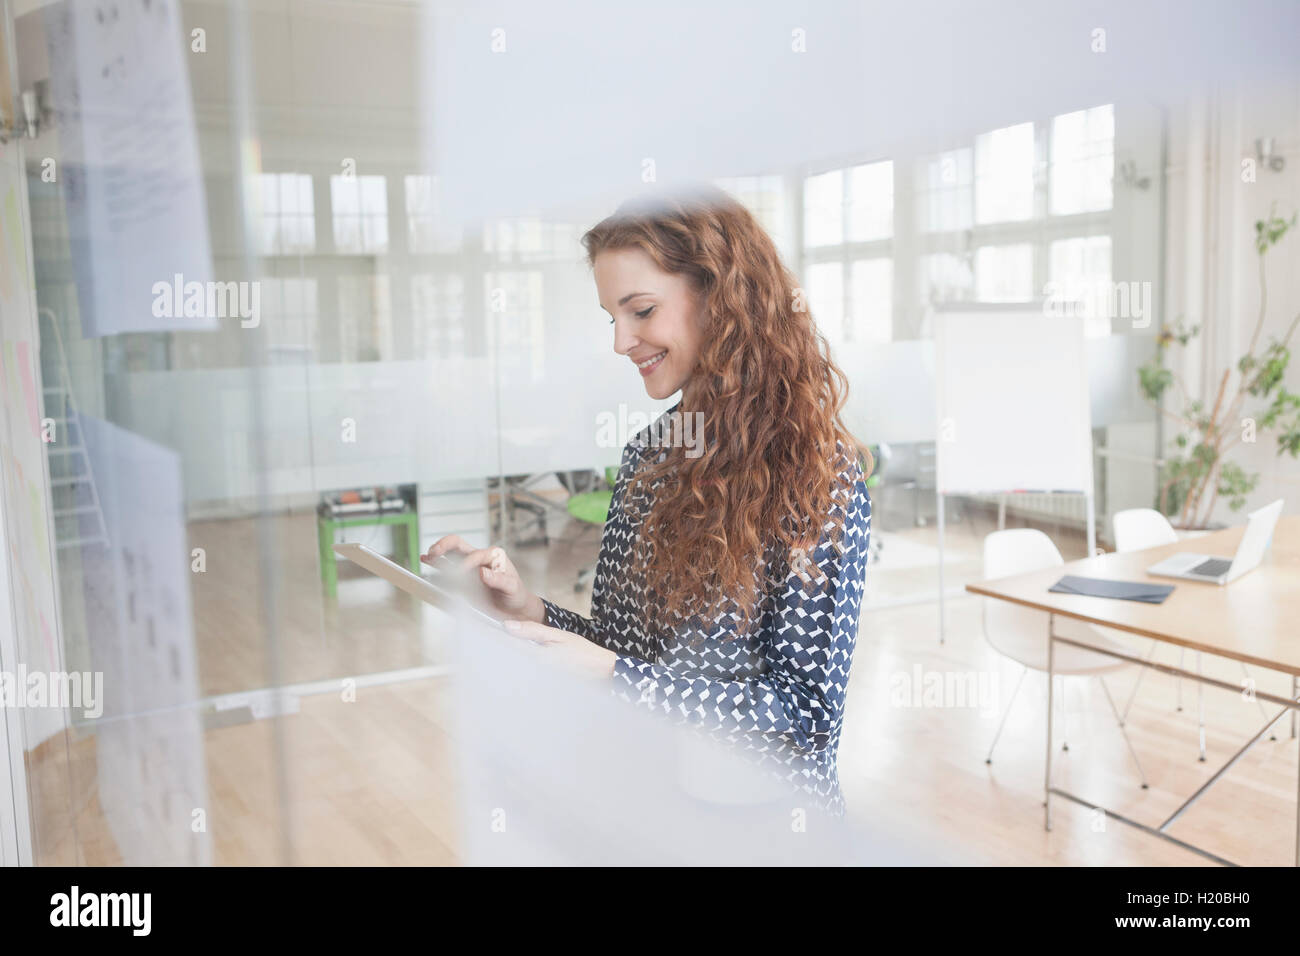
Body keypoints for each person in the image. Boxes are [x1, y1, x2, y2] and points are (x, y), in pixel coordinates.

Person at [424, 184, 872, 817]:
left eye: (640, 310)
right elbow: (617, 650)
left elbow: (807, 717)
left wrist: (621, 679)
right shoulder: (648, 456)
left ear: (720, 296)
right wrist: (524, 606)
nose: (620, 341)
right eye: (613, 317)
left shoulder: (816, 474)